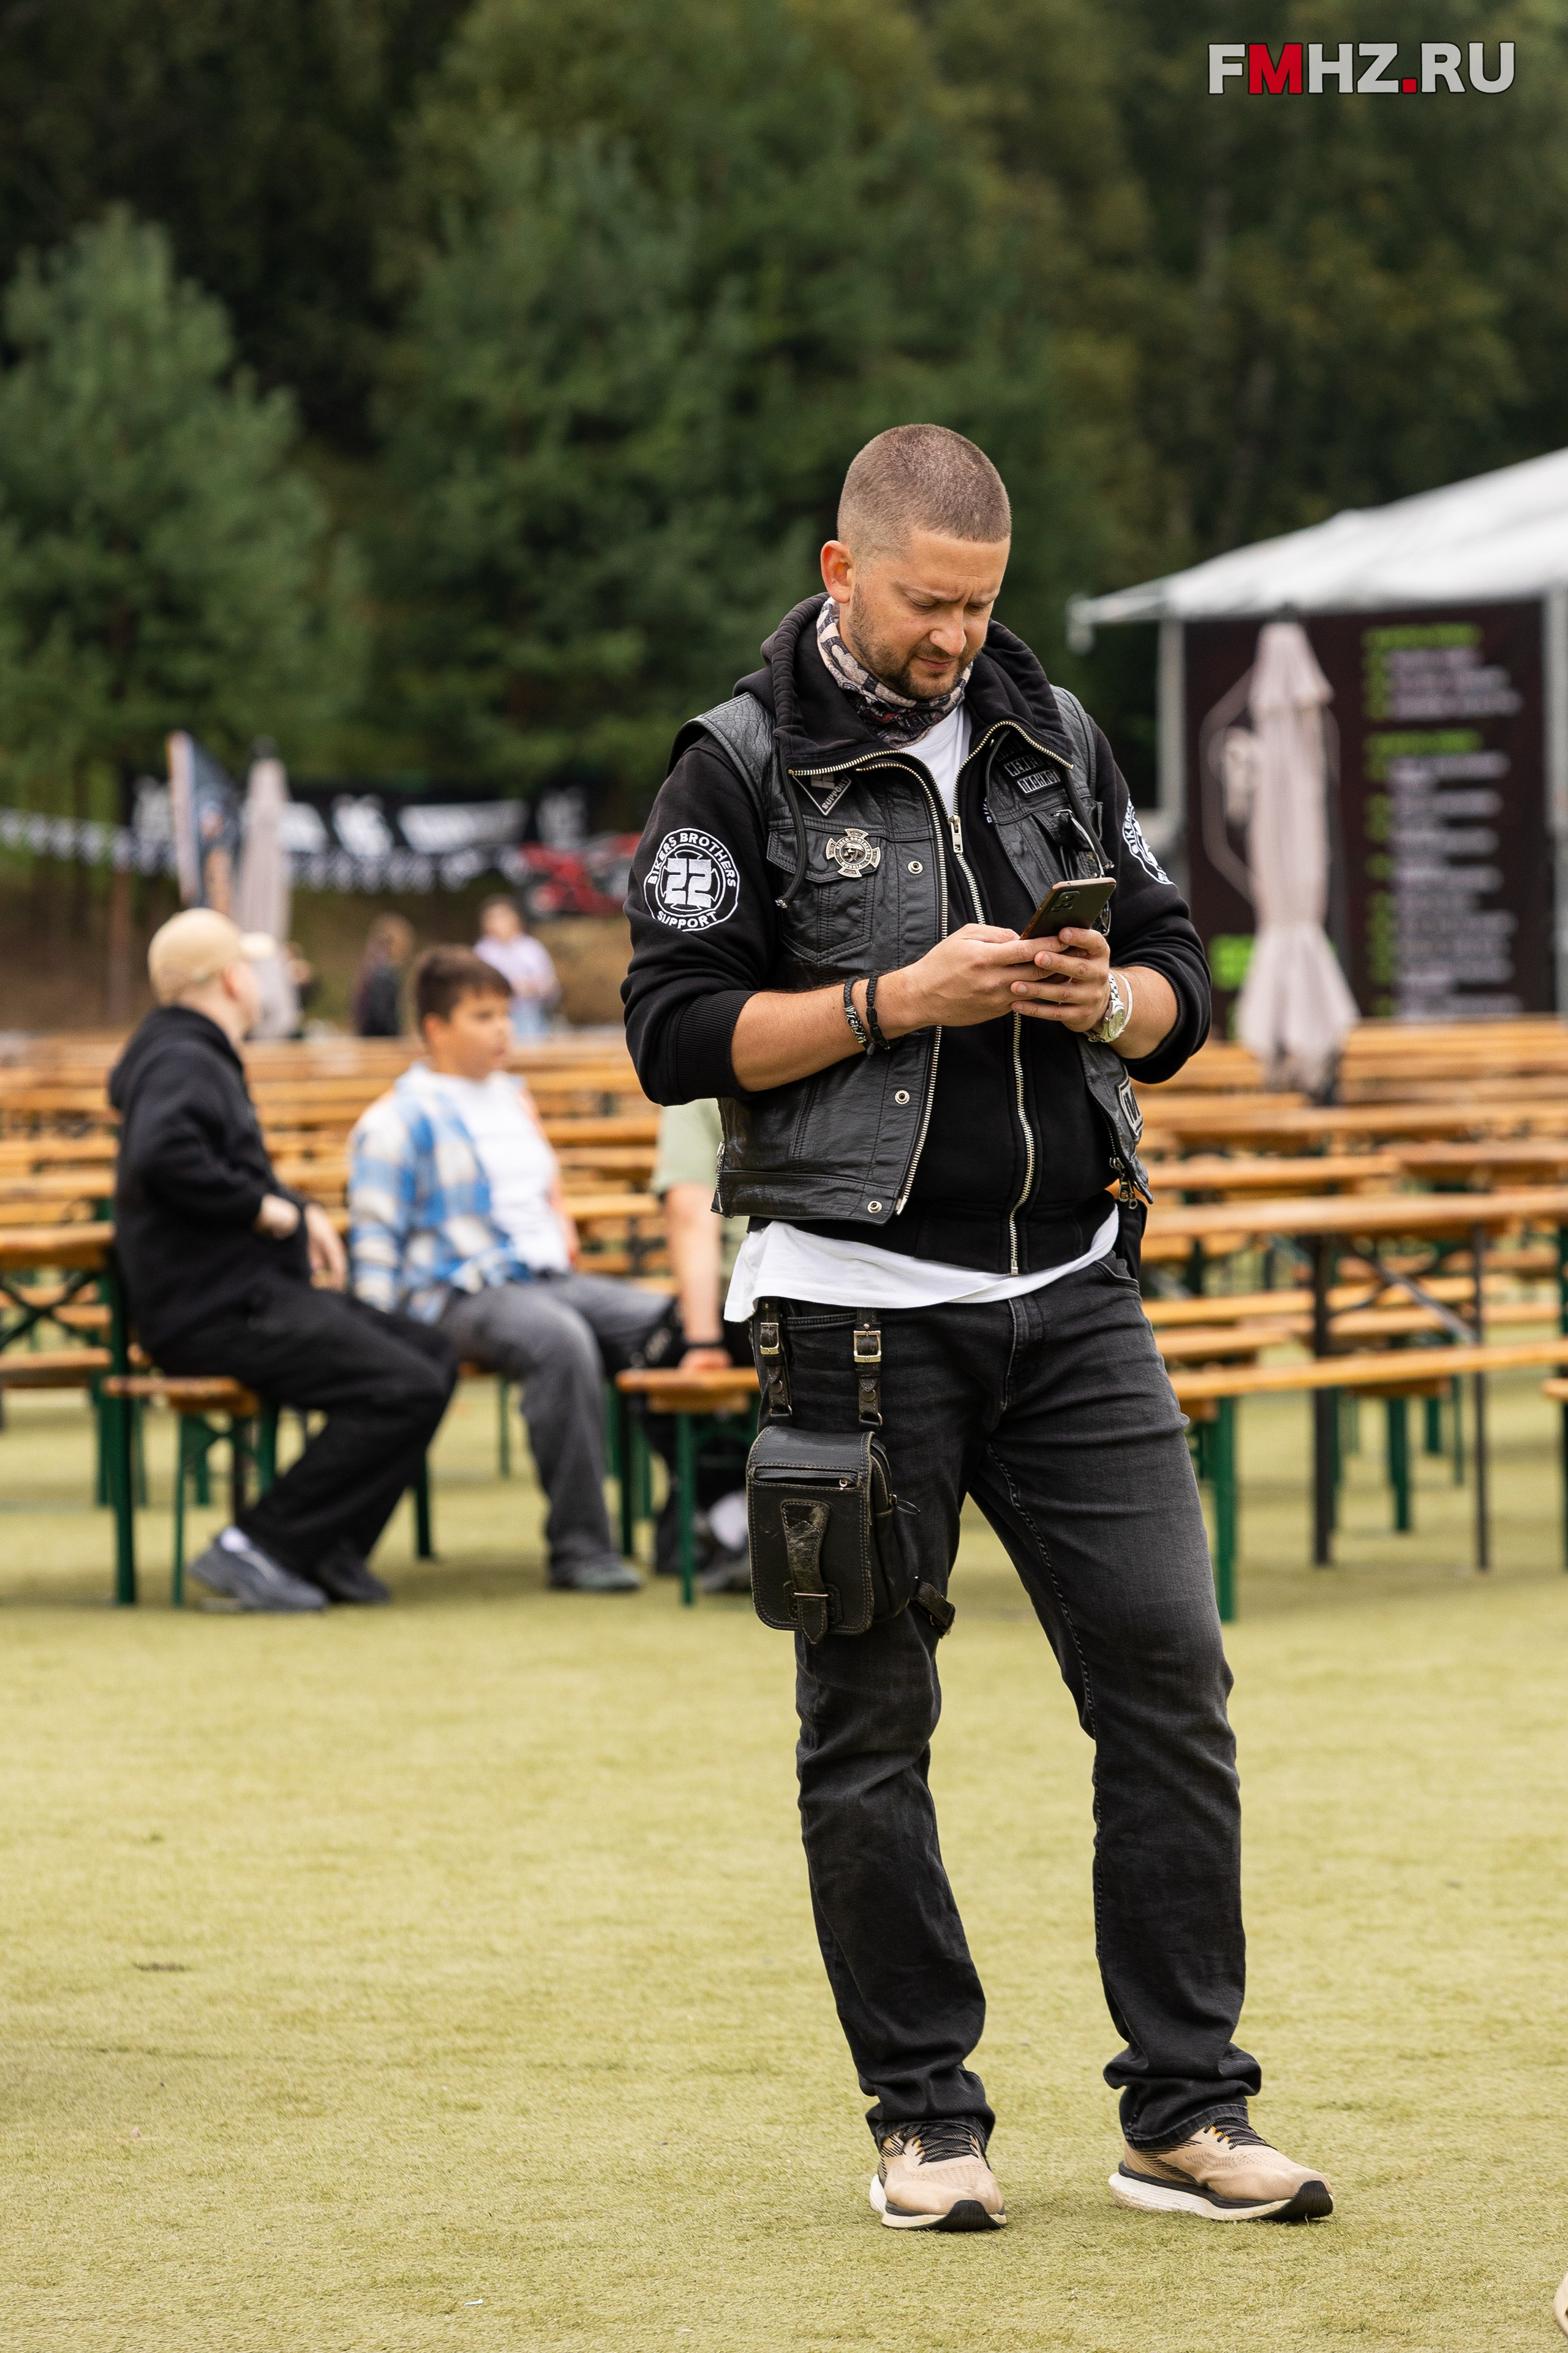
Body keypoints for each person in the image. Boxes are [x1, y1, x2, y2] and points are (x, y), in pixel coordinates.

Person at [622, 424, 1333, 2233]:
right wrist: (891, 996)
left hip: (1074, 1290)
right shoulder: (732, 763)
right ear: (842, 566)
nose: (956, 636)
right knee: (866, 1720)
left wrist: (1114, 1003)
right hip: (845, 1315)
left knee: (1172, 1681)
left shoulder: (1061, 733)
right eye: (929, 603)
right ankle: (923, 2112)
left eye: (981, 602)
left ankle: (1184, 2106)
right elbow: (675, 1036)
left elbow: (1185, 983)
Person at [111, 909, 458, 1612]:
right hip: (219, 1309)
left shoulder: (187, 1050)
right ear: (232, 978)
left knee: (432, 1355)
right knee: (406, 1385)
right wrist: (265, 1210)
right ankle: (259, 1546)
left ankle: (322, 1546)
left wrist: (297, 1207)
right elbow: (165, 1154)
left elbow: (216, 1159)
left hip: (239, 1295)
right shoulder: (185, 1056)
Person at [348, 947, 673, 1594]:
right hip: (457, 1292)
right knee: (559, 1339)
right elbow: (375, 1242)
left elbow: (543, 1201)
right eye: (482, 1015)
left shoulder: (513, 1099)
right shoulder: (395, 1119)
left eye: (506, 1013)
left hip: (546, 1277)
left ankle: (698, 1521)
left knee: (672, 1322)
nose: (503, 1028)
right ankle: (580, 1547)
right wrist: (377, 1340)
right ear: (435, 1027)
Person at [647, 1098, 751, 1590]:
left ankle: (727, 1518)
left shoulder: (698, 1073)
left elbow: (691, 1211)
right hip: (860, 1294)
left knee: (652, 1369)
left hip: (749, 1294)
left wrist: (703, 1336)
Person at [474, 895, 560, 1041]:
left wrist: (530, 987)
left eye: (501, 917)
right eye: (491, 918)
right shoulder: (483, 951)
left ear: (514, 919)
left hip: (532, 1020)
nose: (496, 923)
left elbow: (551, 987)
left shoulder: (532, 948)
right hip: (493, 1019)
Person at [353, 913, 414, 1037]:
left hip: (370, 1039)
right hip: (381, 1042)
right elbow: (381, 1017)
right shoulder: (384, 974)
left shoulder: (372, 968)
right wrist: (399, 1037)